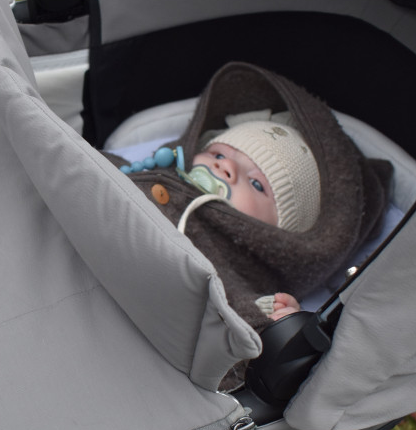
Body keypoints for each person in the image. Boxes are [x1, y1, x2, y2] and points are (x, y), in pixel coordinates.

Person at [106, 62, 392, 331]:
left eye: (256, 184)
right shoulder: (153, 171)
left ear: (278, 233)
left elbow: (233, 316)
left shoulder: (237, 265)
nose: (225, 167)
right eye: (218, 154)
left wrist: (273, 320)